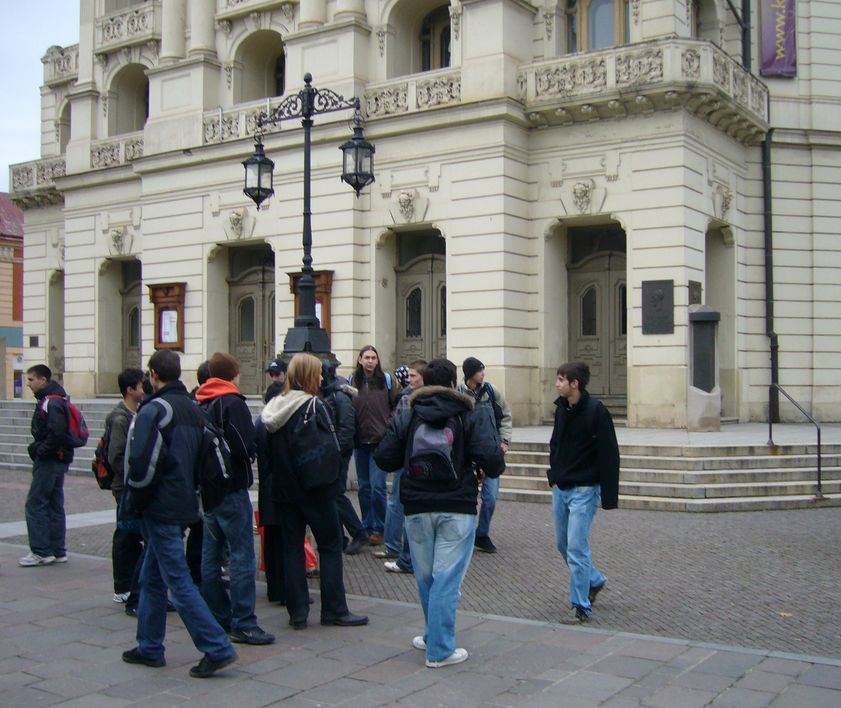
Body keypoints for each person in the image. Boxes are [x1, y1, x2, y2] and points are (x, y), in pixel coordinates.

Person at [375, 358, 505, 668]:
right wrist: (477, 466)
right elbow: (493, 460)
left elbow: (383, 457)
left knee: (426, 577)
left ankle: (430, 634)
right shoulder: (469, 412)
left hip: (417, 505)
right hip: (457, 505)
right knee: (446, 579)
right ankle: (440, 649)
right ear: (452, 384)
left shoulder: (409, 413)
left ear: (425, 383)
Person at [122, 349, 238, 678]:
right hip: (185, 502)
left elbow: (143, 464)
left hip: (161, 506)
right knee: (152, 576)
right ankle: (149, 645)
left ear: (153, 375)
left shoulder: (155, 410)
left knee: (178, 580)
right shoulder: (192, 407)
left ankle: (216, 646)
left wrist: (136, 498)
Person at [260, 353, 368, 630]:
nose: (321, 378)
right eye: (318, 373)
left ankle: (297, 612)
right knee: (330, 546)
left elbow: (264, 450)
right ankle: (334, 609)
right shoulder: (312, 405)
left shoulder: (274, 407)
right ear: (309, 376)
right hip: (315, 489)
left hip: (285, 490)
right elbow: (329, 448)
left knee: (292, 548)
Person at [195, 352, 274, 645]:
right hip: (231, 487)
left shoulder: (200, 401)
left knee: (210, 555)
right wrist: (252, 449)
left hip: (208, 489)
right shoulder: (232, 402)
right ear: (233, 374)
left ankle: (218, 615)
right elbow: (244, 445)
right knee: (242, 556)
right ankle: (244, 622)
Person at [548, 361, 620, 625]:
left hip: (585, 489)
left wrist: (608, 496)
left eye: (561, 380)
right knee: (563, 544)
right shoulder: (561, 409)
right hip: (562, 487)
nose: (557, 384)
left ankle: (580, 606)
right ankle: (594, 579)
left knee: (577, 547)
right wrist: (554, 476)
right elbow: (556, 444)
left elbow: (609, 453)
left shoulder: (596, 411)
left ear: (574, 383)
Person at [20, 364, 74, 567]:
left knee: (35, 504)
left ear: (43, 380)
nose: (28, 384)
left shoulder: (51, 402)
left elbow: (57, 433)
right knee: (54, 504)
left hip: (50, 460)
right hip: (57, 459)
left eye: (31, 379)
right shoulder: (57, 399)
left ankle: (41, 551)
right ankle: (57, 550)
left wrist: (40, 451)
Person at [378, 359, 427, 574]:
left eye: (414, 375)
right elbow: (396, 427)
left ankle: (405, 554)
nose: (409, 379)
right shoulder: (406, 396)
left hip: (415, 459)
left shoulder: (417, 398)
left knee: (405, 505)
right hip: (406, 459)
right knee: (398, 502)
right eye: (409, 375)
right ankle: (394, 547)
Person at [461, 357, 512, 554]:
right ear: (470, 373)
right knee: (468, 498)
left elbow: (505, 415)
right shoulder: (459, 394)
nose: (483, 373)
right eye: (479, 370)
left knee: (490, 498)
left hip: (491, 454)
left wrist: (504, 441)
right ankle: (465, 536)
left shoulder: (491, 391)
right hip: (469, 457)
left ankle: (482, 534)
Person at [350, 345, 399, 545]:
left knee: (378, 486)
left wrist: (389, 424)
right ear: (360, 360)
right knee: (364, 487)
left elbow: (396, 405)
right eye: (367, 357)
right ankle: (367, 526)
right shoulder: (352, 381)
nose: (370, 361)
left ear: (377, 361)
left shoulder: (386, 380)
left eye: (373, 358)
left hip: (380, 441)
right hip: (360, 441)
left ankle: (381, 527)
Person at [320, 360, 369, 555]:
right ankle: (340, 538)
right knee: (332, 495)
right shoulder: (330, 392)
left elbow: (347, 427)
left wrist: (337, 451)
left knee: (336, 494)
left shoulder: (339, 394)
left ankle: (358, 533)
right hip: (332, 451)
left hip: (339, 452)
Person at [107, 367, 146, 605]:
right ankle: (122, 586)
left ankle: (131, 582)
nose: (144, 389)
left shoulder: (137, 413)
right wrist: (132, 479)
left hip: (132, 484)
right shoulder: (120, 418)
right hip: (124, 486)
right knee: (125, 535)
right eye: (141, 386)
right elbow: (116, 456)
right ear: (130, 390)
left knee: (133, 535)